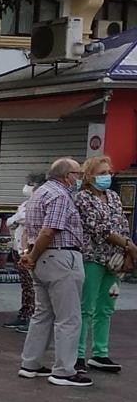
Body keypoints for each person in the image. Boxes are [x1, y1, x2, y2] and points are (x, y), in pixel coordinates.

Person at [18, 158, 91, 387]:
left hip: (44, 260)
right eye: (78, 174)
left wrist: (30, 254)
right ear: (67, 175)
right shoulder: (60, 196)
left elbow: (31, 230)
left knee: (43, 313)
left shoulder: (39, 193)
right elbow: (49, 231)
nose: (79, 178)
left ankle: (30, 363)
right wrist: (33, 255)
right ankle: (64, 370)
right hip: (61, 256)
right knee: (68, 317)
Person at [73, 155, 135, 374]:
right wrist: (131, 246)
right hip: (92, 257)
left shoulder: (114, 197)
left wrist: (127, 251)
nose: (107, 176)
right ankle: (78, 354)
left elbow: (122, 225)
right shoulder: (83, 198)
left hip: (114, 260)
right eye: (101, 173)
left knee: (107, 306)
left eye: (109, 172)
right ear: (89, 176)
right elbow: (99, 228)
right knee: (86, 307)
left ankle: (100, 352)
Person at [4, 173, 44, 333]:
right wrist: (15, 219)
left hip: (29, 250)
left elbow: (24, 219)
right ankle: (24, 314)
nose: (27, 187)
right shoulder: (25, 204)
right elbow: (10, 221)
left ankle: (32, 318)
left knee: (32, 286)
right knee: (25, 286)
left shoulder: (39, 204)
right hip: (18, 247)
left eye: (31, 184)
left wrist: (16, 219)